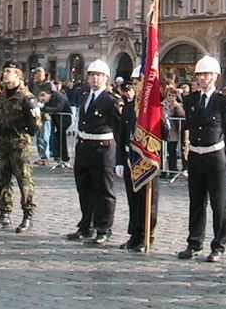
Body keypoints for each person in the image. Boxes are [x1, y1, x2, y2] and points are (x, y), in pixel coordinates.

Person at [177, 55, 226, 263]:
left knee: (219, 204)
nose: (203, 78)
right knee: (196, 202)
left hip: (215, 156)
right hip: (196, 155)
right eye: (200, 75)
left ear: (216, 77)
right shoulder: (191, 99)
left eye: (207, 74)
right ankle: (194, 242)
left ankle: (218, 246)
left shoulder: (223, 102)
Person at [67, 59, 122, 246]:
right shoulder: (84, 95)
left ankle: (104, 228)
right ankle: (86, 225)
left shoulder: (111, 100)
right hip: (84, 146)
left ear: (106, 78)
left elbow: (119, 127)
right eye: (92, 75)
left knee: (104, 190)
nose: (95, 79)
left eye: (99, 75)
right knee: (84, 187)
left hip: (103, 148)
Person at [0, 61, 41, 233]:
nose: (5, 75)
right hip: (3, 144)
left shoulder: (27, 98)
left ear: (18, 75)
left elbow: (35, 125)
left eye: (9, 72)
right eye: (4, 71)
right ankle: (5, 214)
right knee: (4, 181)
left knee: (24, 181)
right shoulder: (2, 96)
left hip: (19, 144)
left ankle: (28, 215)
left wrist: (21, 133)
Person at [115, 78, 159, 253]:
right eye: (135, 83)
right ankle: (135, 234)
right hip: (130, 158)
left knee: (148, 201)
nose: (137, 87)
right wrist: (119, 160)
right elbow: (121, 135)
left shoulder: (154, 109)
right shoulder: (128, 108)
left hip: (147, 159)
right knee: (133, 199)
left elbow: (165, 130)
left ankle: (147, 234)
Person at [38, 87, 72, 168]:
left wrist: (44, 107)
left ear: (46, 95)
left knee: (61, 139)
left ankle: (64, 158)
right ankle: (58, 157)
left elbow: (58, 108)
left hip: (64, 119)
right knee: (56, 138)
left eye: (43, 100)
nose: (44, 102)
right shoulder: (51, 99)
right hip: (56, 119)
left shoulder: (58, 96)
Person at [29, 66, 55, 164]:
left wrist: (44, 104)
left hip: (45, 113)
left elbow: (53, 98)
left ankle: (45, 157)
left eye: (36, 74)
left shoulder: (49, 85)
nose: (34, 76)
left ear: (41, 74)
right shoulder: (35, 85)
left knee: (44, 136)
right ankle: (41, 156)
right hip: (36, 113)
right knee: (39, 136)